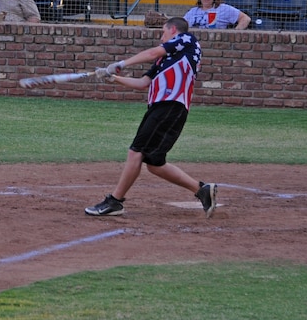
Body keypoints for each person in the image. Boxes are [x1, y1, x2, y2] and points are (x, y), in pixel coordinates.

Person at [85, 17, 218, 219]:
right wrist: (113, 77)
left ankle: (115, 201)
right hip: (161, 107)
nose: (162, 38)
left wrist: (120, 64)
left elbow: (152, 52)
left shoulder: (187, 40)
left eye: (163, 33)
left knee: (136, 152)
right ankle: (201, 190)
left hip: (170, 105)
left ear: (173, 29)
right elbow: (143, 82)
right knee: (155, 162)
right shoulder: (165, 59)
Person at [183, 0, 251, 30]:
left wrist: (235, 33)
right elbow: (181, 25)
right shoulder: (193, 11)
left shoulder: (224, 8)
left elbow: (245, 19)